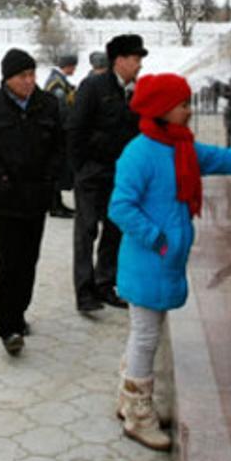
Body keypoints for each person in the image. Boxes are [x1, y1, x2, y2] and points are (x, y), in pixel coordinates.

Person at [109, 73, 231, 451]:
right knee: (145, 335)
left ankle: (130, 399)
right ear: (163, 109)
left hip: (164, 261)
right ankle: (138, 415)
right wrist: (159, 240)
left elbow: (229, 159)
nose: (189, 110)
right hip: (147, 261)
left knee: (143, 332)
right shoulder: (139, 153)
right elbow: (120, 207)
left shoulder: (182, 148)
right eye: (182, 104)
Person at [0, 48, 64, 356]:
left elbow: (60, 146)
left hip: (36, 197)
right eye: (23, 76)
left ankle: (19, 313)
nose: (29, 81)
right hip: (4, 199)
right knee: (8, 263)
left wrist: (51, 175)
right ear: (8, 78)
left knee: (28, 262)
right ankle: (7, 327)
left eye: (32, 74)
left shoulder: (48, 104)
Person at [66, 34, 146, 313]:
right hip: (92, 172)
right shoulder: (94, 87)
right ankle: (84, 292)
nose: (139, 65)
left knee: (114, 230)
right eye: (135, 59)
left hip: (120, 175)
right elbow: (75, 128)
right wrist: (81, 168)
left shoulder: (136, 92)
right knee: (86, 231)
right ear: (119, 60)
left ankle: (105, 284)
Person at [44, 53, 79, 218]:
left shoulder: (58, 80)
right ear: (69, 66)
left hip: (55, 130)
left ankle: (56, 203)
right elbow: (61, 109)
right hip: (57, 131)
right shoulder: (57, 83)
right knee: (57, 168)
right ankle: (54, 205)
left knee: (57, 168)